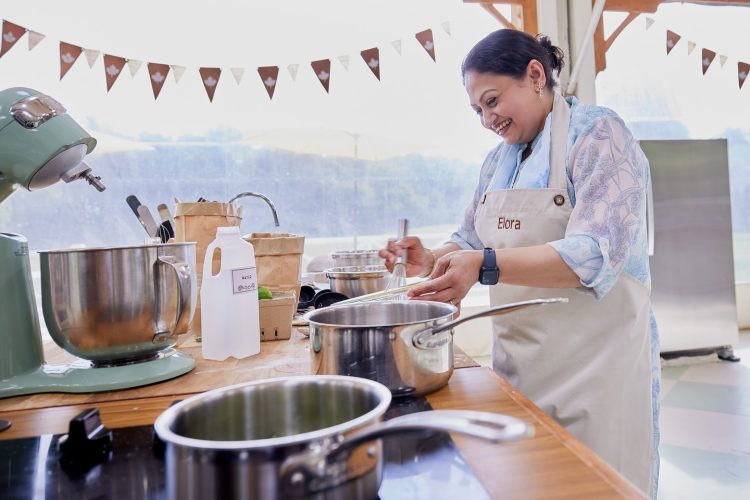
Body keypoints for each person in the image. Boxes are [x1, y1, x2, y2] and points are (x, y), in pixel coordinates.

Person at [379, 29, 660, 497]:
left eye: (492, 100)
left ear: (535, 75)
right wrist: (430, 258)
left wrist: (484, 264)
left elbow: (591, 255)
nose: (488, 119)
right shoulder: (497, 161)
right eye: (478, 110)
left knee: (597, 485)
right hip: (521, 370)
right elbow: (468, 239)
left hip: (597, 373)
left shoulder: (599, 136)